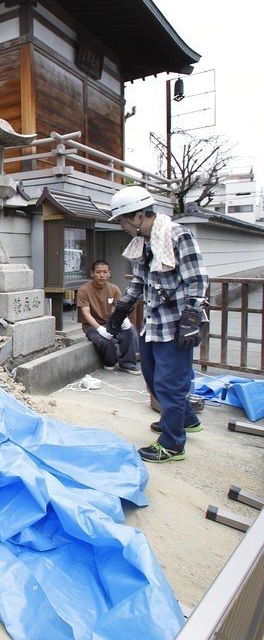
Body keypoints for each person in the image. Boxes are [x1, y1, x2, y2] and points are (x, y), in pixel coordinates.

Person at [103, 186, 208, 463]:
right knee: (151, 376)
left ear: (139, 216)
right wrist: (120, 311)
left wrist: (192, 318)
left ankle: (172, 445)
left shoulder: (177, 235)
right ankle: (185, 419)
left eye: (124, 220)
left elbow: (197, 280)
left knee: (170, 385)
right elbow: (138, 282)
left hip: (177, 325)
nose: (122, 226)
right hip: (153, 323)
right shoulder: (144, 243)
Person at [76, 260, 140, 374]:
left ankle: (127, 363)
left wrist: (124, 320)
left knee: (131, 331)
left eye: (105, 272)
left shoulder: (114, 289)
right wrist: (99, 328)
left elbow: (119, 309)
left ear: (109, 273)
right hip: (92, 326)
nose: (101, 275)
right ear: (92, 273)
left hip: (111, 322)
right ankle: (110, 362)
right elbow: (86, 313)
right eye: (98, 272)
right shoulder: (84, 290)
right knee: (104, 340)